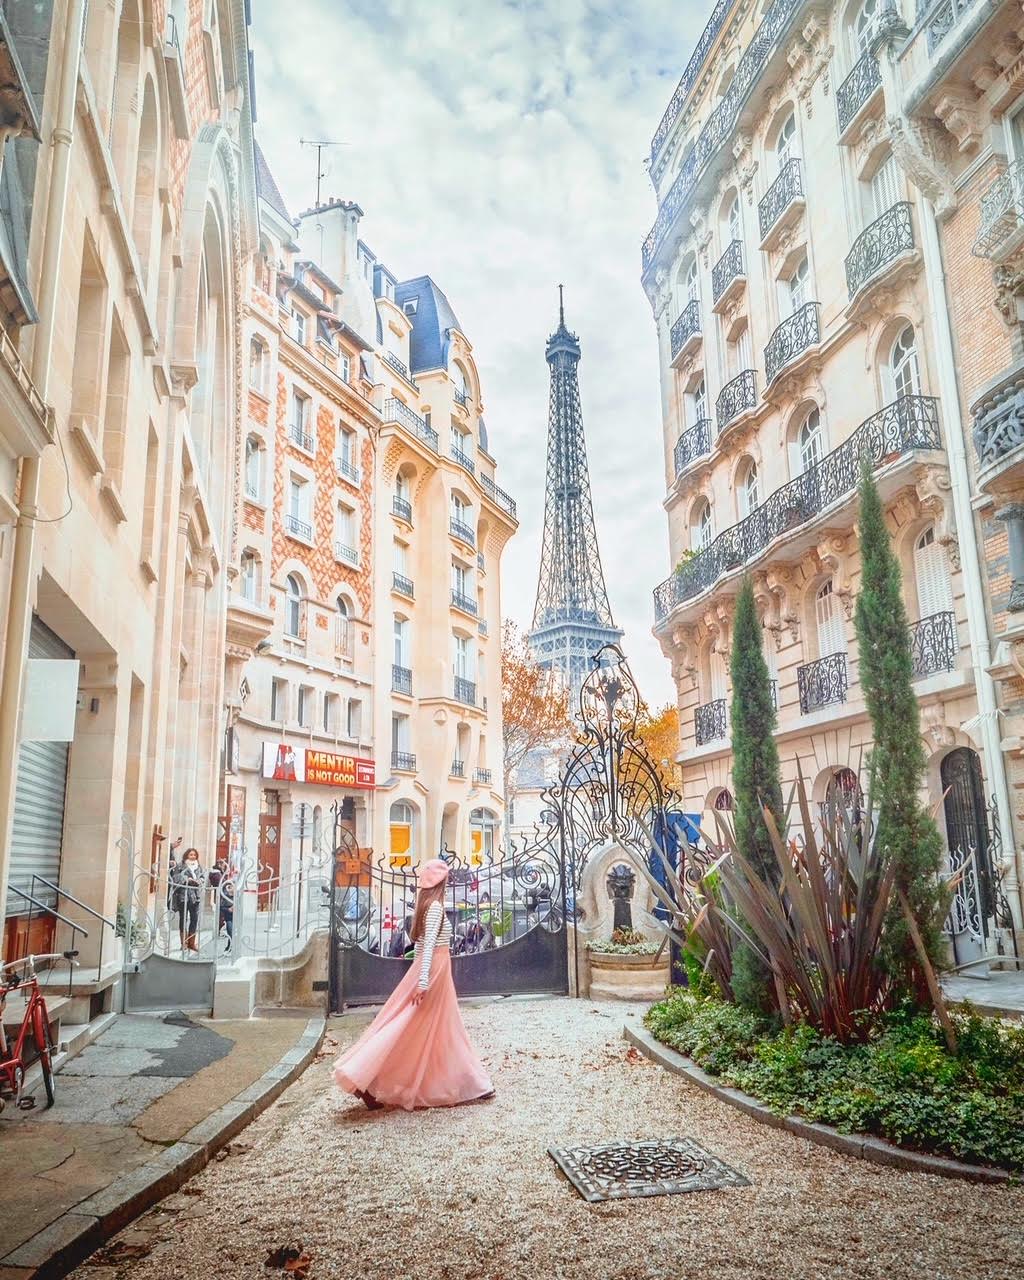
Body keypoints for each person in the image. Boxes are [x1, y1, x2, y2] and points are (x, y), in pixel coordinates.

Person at [334, 858, 494, 1111]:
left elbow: (420, 945)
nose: (450, 882)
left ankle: (369, 1080)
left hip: (430, 969)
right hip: (434, 970)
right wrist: (422, 982)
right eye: (447, 879)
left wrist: (420, 976)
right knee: (416, 1024)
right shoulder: (435, 909)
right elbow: (428, 945)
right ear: (440, 882)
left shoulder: (427, 907)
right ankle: (364, 1078)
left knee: (420, 1024)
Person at [171, 848, 205, 952]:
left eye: (194, 855)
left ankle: (191, 943)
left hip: (195, 896)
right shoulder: (180, 866)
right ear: (186, 855)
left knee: (194, 919)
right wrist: (187, 879)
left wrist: (199, 881)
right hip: (183, 896)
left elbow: (203, 877)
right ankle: (184, 943)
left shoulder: (198, 866)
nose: (193, 856)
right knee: (183, 919)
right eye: (191, 855)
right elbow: (176, 878)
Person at [219, 872, 235, 954]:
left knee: (234, 932)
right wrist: (228, 909)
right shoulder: (225, 896)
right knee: (230, 931)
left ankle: (232, 946)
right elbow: (221, 907)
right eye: (232, 886)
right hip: (229, 918)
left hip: (236, 917)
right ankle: (229, 946)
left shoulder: (237, 896)